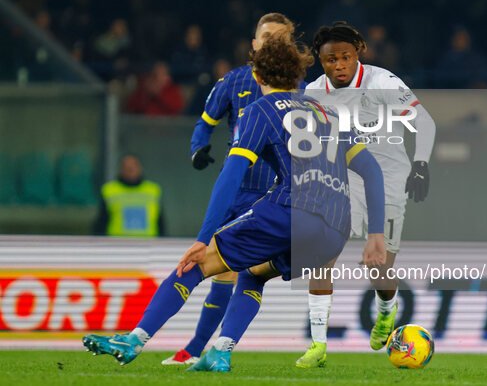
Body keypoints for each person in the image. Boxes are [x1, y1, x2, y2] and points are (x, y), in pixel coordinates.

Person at [82, 36, 387, 373]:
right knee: (254, 273)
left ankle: (134, 338)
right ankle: (221, 351)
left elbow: (231, 174)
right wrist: (375, 234)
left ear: (257, 76)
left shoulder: (262, 110)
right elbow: (372, 171)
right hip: (334, 229)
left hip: (290, 211)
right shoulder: (329, 112)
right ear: (296, 75)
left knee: (194, 265)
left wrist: (204, 236)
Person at [159, 13, 298, 366]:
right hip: (236, 190)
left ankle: (196, 347)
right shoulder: (233, 82)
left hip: (273, 196)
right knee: (224, 268)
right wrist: (197, 147)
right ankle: (202, 348)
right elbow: (205, 122)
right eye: (267, 35)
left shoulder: (300, 89)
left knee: (234, 270)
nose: (272, 41)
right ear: (254, 43)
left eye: (280, 37)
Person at [296, 22, 436, 368]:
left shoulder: (383, 83)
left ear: (358, 53)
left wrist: (420, 164)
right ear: (321, 60)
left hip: (387, 182)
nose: (339, 65)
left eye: (345, 57)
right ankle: (318, 344)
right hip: (341, 182)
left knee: (379, 268)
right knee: (321, 255)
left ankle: (387, 309)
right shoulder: (313, 93)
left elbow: (425, 122)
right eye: (331, 60)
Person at [93, 155, 165, 237]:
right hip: (118, 244)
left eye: (133, 166)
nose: (130, 170)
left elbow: (161, 222)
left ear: (140, 168)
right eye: (127, 167)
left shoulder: (153, 190)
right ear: (121, 169)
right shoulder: (109, 190)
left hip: (149, 244)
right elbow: (102, 221)